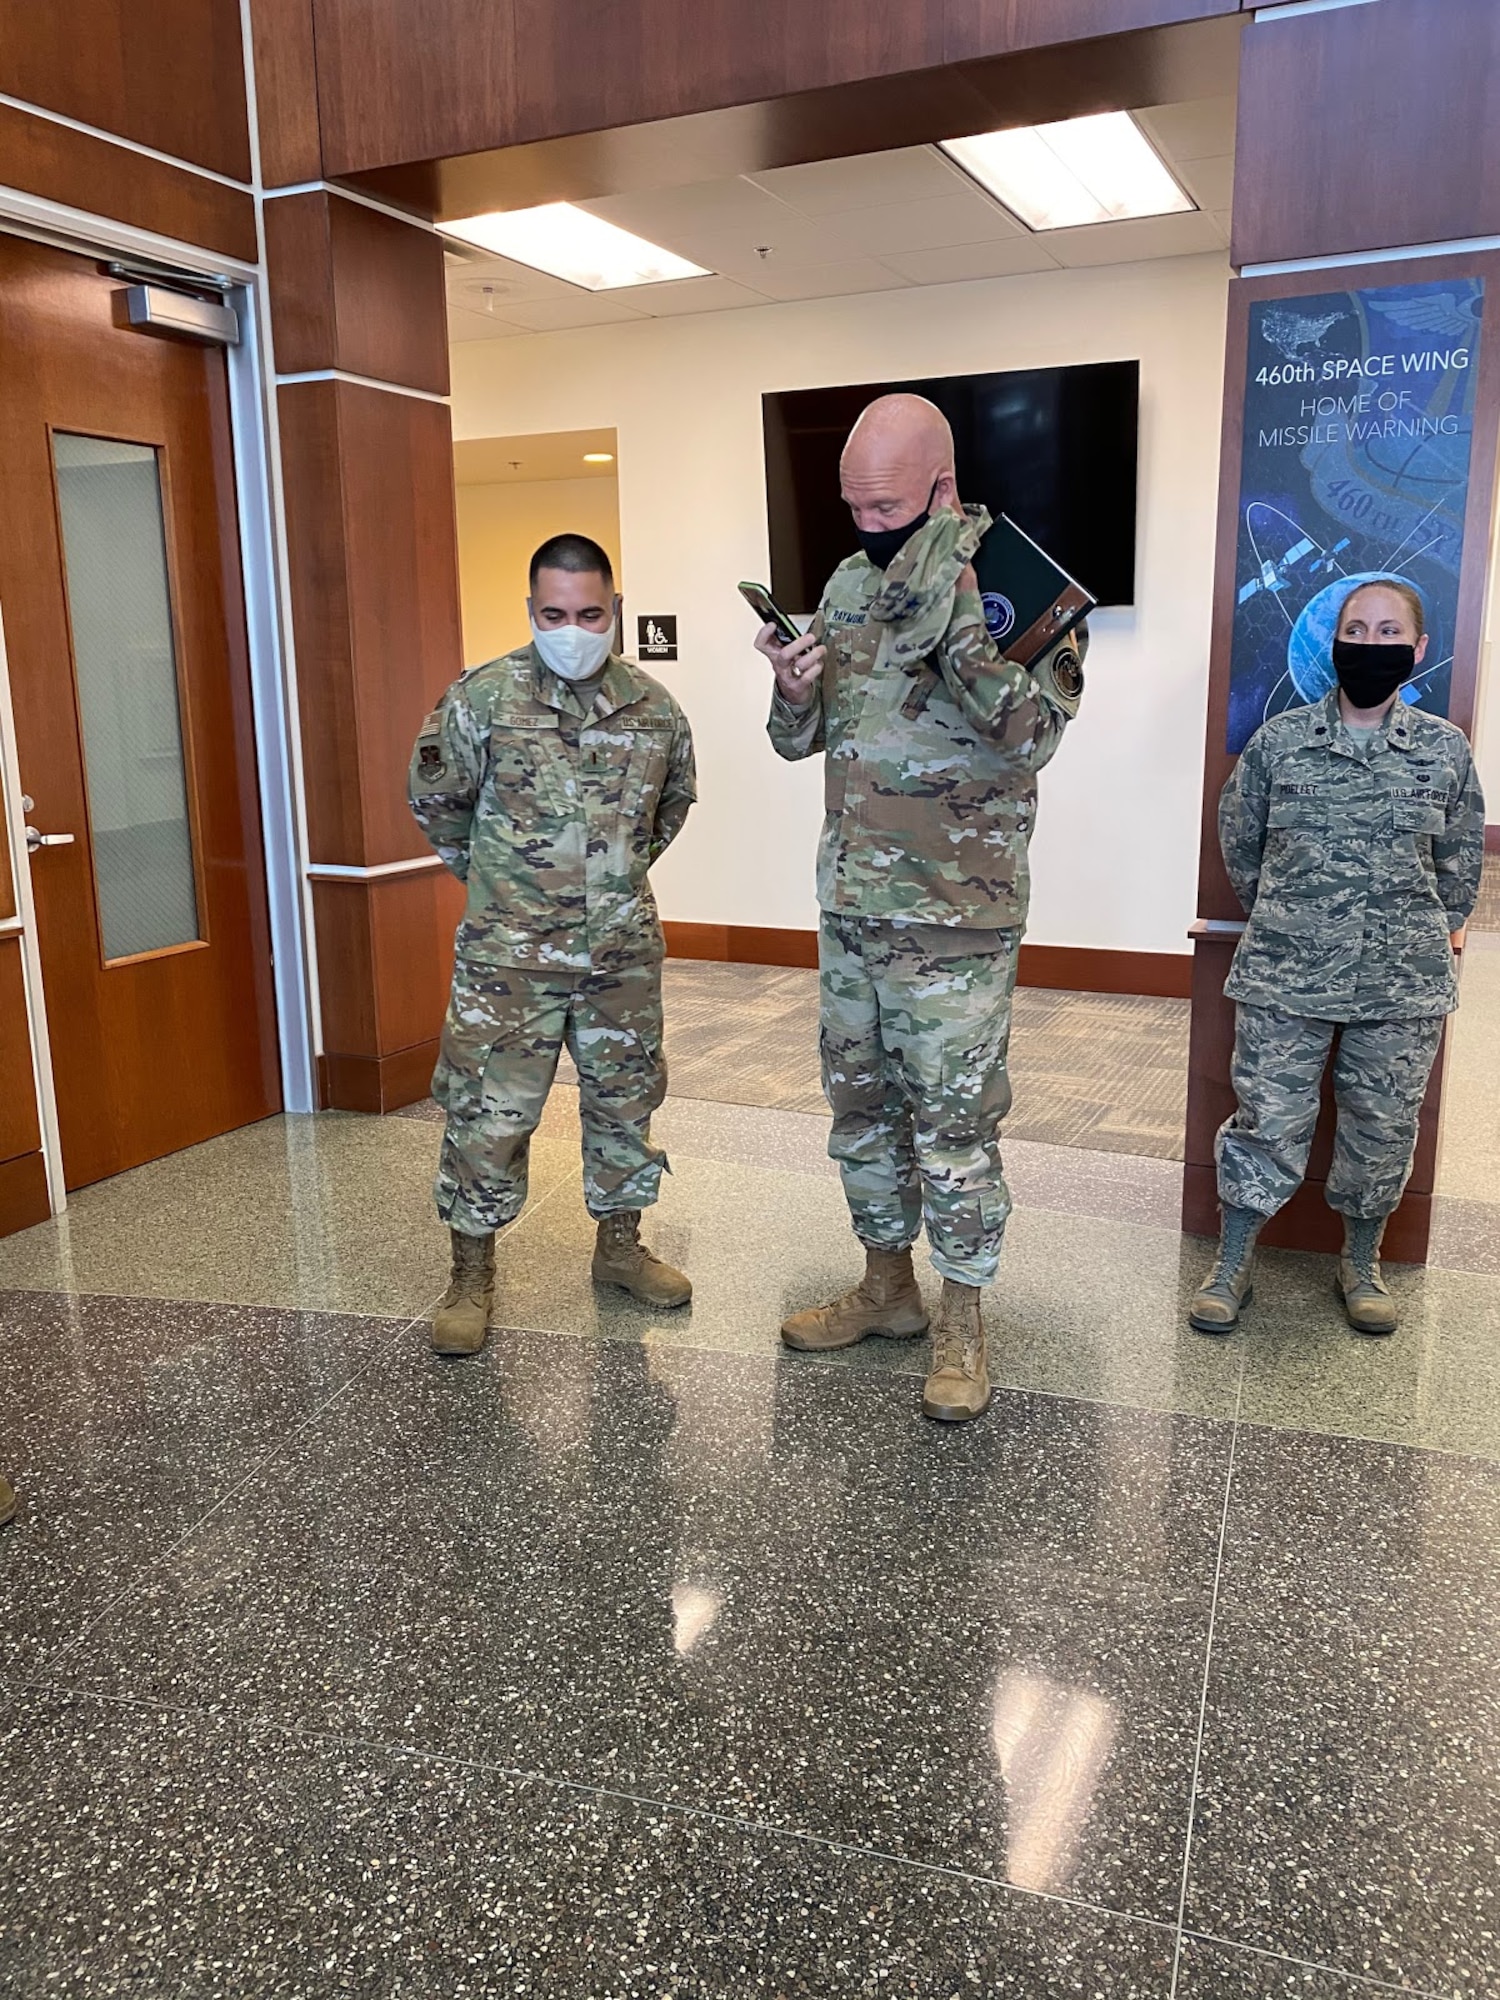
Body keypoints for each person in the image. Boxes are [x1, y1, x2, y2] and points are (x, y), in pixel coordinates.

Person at [756, 393, 1086, 1423]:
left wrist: (960, 633)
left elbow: (1031, 737)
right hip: (853, 905)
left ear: (942, 487)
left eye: (886, 505)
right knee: (861, 1108)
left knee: (954, 1122)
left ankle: (962, 1317)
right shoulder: (848, 583)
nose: (866, 525)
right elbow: (797, 741)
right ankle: (887, 1286)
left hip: (958, 916)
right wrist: (793, 685)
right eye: (851, 506)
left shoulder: (1027, 581)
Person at [409, 533, 697, 1354]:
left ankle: (620, 1249)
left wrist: (604, 885)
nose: (573, 628)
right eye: (554, 614)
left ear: (616, 609)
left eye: (590, 613)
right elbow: (436, 802)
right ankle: (471, 1271)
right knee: (486, 1115)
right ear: (531, 611)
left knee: (625, 1104)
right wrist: (506, 888)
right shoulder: (480, 699)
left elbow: (669, 809)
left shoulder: (655, 708)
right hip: (509, 963)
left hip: (619, 959)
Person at [1192, 577, 1485, 1336]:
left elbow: (1458, 866)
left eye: (1391, 633)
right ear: (1335, 641)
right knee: (1267, 1120)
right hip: (1286, 973)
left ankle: (1361, 1259)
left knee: (1383, 1127)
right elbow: (1242, 847)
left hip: (1402, 983)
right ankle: (1233, 1260)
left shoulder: (1444, 751)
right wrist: (1295, 920)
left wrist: (1422, 929)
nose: (1372, 644)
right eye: (1358, 629)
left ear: (1418, 650)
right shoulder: (1280, 744)